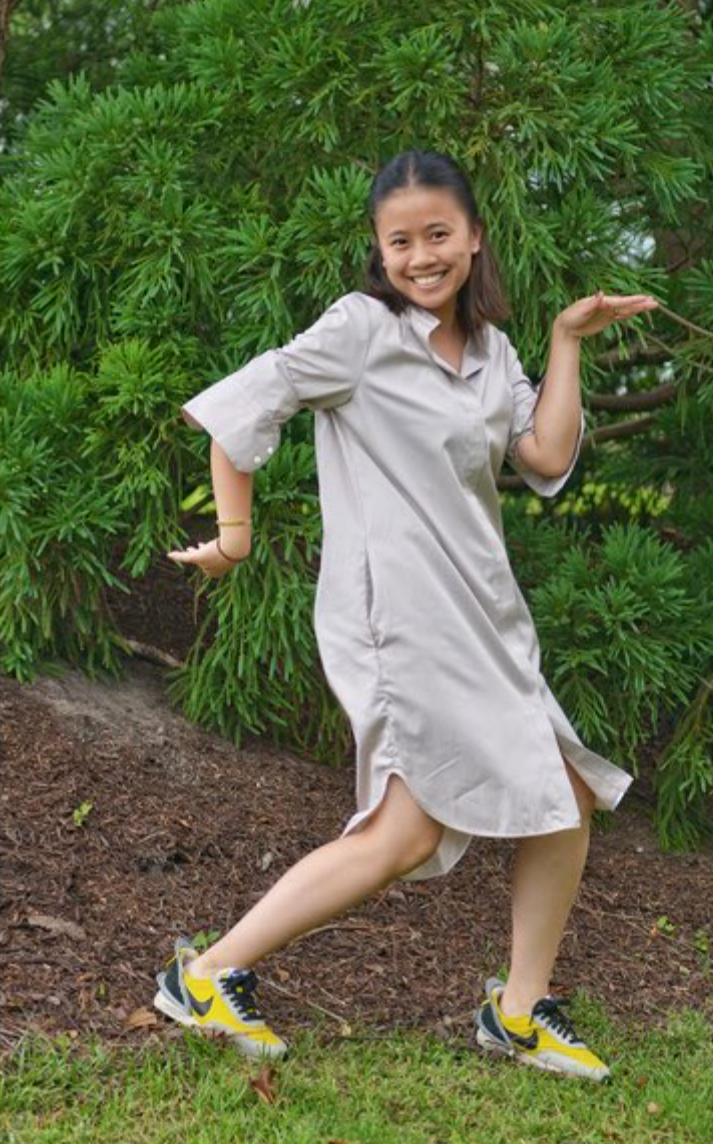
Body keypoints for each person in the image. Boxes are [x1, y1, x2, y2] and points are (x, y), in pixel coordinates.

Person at [154, 148, 658, 1082]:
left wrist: (565, 339)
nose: (420, 255)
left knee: (562, 795)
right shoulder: (360, 330)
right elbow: (238, 412)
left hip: (481, 612)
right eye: (400, 240)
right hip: (398, 616)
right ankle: (208, 975)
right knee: (406, 833)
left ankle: (517, 1011)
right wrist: (233, 535)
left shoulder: (493, 350)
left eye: (437, 234)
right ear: (378, 252)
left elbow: (545, 459)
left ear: (472, 237)